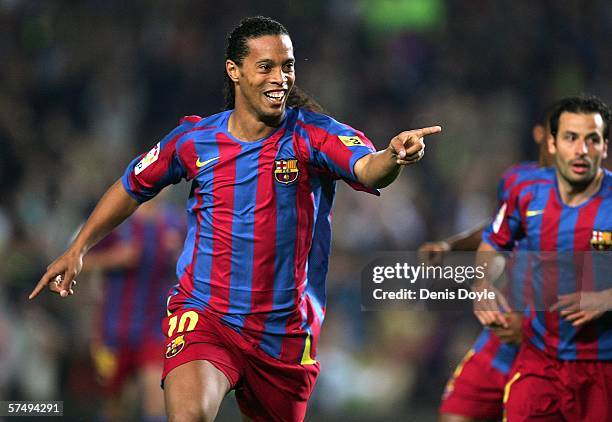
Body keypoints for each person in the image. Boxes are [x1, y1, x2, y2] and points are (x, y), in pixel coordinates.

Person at [30, 16, 441, 422]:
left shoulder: (314, 134)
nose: (280, 78)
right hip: (205, 314)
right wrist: (78, 248)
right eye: (266, 67)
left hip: (282, 333)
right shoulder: (195, 141)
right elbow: (132, 185)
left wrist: (394, 156)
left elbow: (368, 168)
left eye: (288, 65)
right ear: (235, 71)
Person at [474, 95, 611, 421]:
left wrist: (607, 298)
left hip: (604, 366)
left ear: (605, 146)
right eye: (570, 138)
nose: (581, 150)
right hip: (539, 362)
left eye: (592, 139)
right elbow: (493, 243)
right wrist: (483, 284)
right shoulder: (527, 192)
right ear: (552, 143)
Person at [420, 109, 554, 422]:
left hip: (554, 346)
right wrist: (451, 246)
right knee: (456, 414)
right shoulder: (524, 183)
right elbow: (498, 227)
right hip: (504, 335)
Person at [84, 197, 183, 422]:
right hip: (115, 327)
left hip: (156, 326)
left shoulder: (175, 224)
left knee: (156, 396)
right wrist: (113, 258)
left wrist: (179, 257)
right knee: (115, 405)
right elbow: (80, 259)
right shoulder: (116, 220)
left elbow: (193, 263)